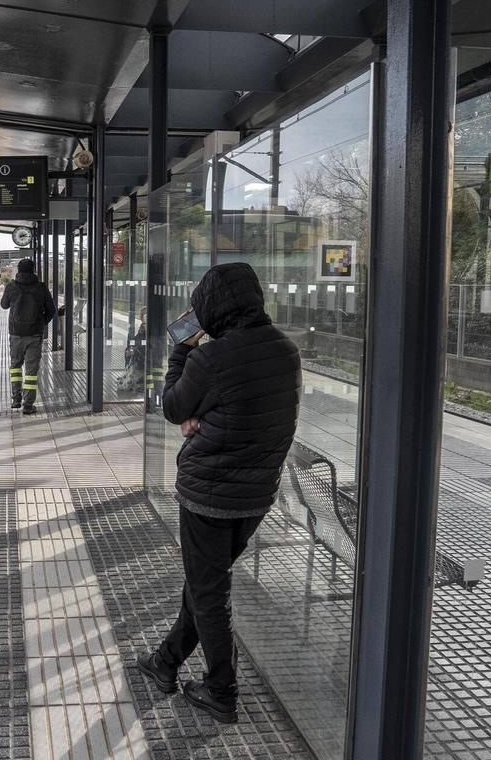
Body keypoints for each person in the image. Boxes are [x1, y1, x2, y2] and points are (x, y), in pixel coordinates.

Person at [136, 262, 301, 724]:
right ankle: (166, 663)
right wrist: (203, 417)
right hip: (255, 496)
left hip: (210, 496)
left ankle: (221, 689)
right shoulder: (285, 351)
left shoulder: (211, 358)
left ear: (213, 306)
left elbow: (173, 407)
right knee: (204, 585)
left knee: (209, 593)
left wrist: (179, 353)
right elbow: (250, 416)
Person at [0, 257, 56, 415]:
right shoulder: (41, 287)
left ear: (18, 270)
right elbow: (51, 310)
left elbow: (4, 305)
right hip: (34, 335)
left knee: (15, 367)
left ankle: (16, 398)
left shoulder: (11, 286)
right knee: (31, 372)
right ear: (33, 270)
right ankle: (28, 405)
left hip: (16, 335)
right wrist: (40, 323)